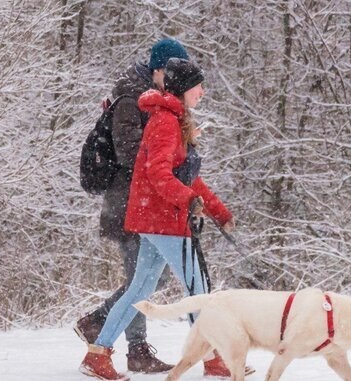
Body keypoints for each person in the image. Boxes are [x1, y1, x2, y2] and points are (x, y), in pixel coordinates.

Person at [79, 58, 247, 380]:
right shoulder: (166, 123)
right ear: (184, 89)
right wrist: (188, 200)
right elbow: (158, 175)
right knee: (197, 288)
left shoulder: (173, 120)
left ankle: (97, 354)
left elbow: (186, 177)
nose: (203, 92)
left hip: (155, 217)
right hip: (163, 219)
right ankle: (214, 358)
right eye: (199, 86)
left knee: (139, 289)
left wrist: (218, 211)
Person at [74, 39, 190, 373]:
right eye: (172, 73)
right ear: (157, 70)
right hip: (127, 203)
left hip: (142, 202)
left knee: (151, 279)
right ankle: (130, 346)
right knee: (141, 279)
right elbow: (128, 152)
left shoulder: (153, 99)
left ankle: (99, 323)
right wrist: (166, 154)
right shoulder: (130, 99)